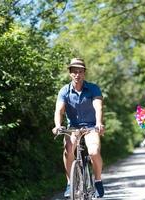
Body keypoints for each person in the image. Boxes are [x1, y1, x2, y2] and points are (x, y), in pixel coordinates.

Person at [52, 58, 105, 198]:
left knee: (93, 152)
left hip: (91, 127)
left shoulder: (93, 88)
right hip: (73, 128)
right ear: (70, 73)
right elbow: (59, 110)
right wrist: (58, 125)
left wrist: (99, 123)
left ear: (84, 73)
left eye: (80, 71)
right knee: (68, 149)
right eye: (74, 72)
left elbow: (98, 107)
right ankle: (70, 183)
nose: (77, 74)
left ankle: (98, 180)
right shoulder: (64, 91)